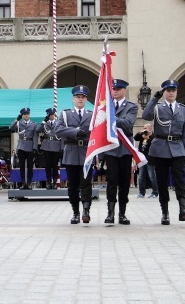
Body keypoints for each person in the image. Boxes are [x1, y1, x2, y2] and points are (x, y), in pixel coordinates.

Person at [142, 79, 185, 226]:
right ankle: (165, 212)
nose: (171, 93)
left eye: (173, 90)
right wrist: (155, 97)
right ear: (164, 92)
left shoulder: (183, 109)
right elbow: (146, 115)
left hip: (178, 148)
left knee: (179, 179)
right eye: (168, 90)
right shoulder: (157, 108)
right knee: (162, 181)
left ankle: (183, 209)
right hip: (161, 148)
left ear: (176, 92)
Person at [100, 79, 137, 226]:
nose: (115, 91)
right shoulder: (106, 106)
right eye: (113, 89)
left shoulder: (131, 107)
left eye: (118, 89)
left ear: (124, 90)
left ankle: (122, 213)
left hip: (125, 149)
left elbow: (128, 124)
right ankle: (110, 213)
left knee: (124, 182)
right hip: (110, 148)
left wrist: (110, 118)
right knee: (111, 181)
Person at [54, 85, 93, 224]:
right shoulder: (65, 114)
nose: (80, 99)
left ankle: (86, 211)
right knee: (73, 185)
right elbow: (58, 131)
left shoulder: (92, 114)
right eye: (78, 97)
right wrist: (75, 132)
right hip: (71, 152)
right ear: (73, 99)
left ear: (86, 99)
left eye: (83, 97)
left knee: (86, 184)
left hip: (86, 152)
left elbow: (96, 132)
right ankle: (75, 212)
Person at [9, 108, 38, 189]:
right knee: (21, 166)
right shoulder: (19, 123)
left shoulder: (34, 124)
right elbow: (11, 127)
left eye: (27, 114)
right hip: (21, 146)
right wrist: (17, 119)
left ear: (29, 114)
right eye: (24, 114)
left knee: (30, 167)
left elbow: (35, 136)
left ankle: (29, 183)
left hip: (30, 146)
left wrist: (35, 147)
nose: (26, 115)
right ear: (22, 115)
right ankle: (22, 183)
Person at [38, 108, 62, 190]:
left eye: (53, 114)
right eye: (50, 115)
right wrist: (44, 121)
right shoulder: (45, 124)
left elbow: (62, 135)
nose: (52, 116)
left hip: (56, 145)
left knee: (55, 165)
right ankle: (48, 181)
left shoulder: (58, 123)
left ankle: (54, 182)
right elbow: (38, 130)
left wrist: (61, 148)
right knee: (47, 165)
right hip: (47, 146)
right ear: (48, 115)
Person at [134, 123, 157, 198]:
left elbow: (155, 145)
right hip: (142, 159)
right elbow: (135, 138)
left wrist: (148, 139)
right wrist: (140, 132)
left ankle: (155, 192)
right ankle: (141, 192)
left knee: (152, 176)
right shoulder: (142, 136)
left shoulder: (154, 136)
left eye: (146, 128)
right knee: (141, 176)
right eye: (144, 128)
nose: (145, 130)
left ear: (150, 129)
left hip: (150, 159)